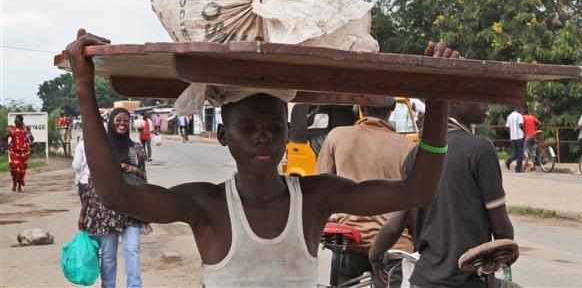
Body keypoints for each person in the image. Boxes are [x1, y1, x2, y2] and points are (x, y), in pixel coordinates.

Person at [66, 29, 458, 287]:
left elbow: (419, 190)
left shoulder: (317, 196)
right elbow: (118, 195)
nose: (263, 136)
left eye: (273, 126)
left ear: (289, 133)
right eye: (248, 127)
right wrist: (84, 87)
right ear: (223, 134)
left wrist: (438, 98)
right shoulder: (206, 203)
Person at [369, 102, 515, 288]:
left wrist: (375, 256)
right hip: (467, 281)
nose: (486, 103)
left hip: (422, 279)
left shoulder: (416, 154)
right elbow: (501, 229)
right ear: (455, 102)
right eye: (477, 97)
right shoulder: (481, 148)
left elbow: (395, 224)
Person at [317, 97, 416, 287]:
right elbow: (415, 206)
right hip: (394, 246)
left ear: (359, 107)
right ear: (393, 108)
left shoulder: (336, 136)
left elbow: (322, 190)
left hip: (349, 242)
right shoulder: (408, 147)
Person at [78, 107, 151, 288]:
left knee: (132, 250)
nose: (122, 123)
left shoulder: (136, 148)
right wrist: (83, 213)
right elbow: (91, 180)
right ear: (111, 122)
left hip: (131, 206)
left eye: (125, 120)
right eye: (118, 119)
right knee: (108, 256)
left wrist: (130, 168)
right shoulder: (102, 148)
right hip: (106, 208)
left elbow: (143, 176)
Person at [1, 115, 33, 192]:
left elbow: (31, 139)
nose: (15, 122)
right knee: (14, 169)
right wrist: (3, 147)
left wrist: (26, 132)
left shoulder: (26, 130)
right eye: (15, 121)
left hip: (24, 153)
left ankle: (19, 186)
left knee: (21, 171)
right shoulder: (12, 129)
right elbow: (5, 137)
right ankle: (14, 183)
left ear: (21, 122)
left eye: (17, 121)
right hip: (14, 152)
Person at [505, 107, 525, 172]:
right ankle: (518, 168)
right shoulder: (519, 115)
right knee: (520, 153)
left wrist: (511, 134)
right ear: (518, 108)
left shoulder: (509, 116)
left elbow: (507, 127)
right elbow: (521, 125)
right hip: (519, 136)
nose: (521, 110)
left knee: (517, 152)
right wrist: (525, 131)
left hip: (513, 137)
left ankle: (508, 161)